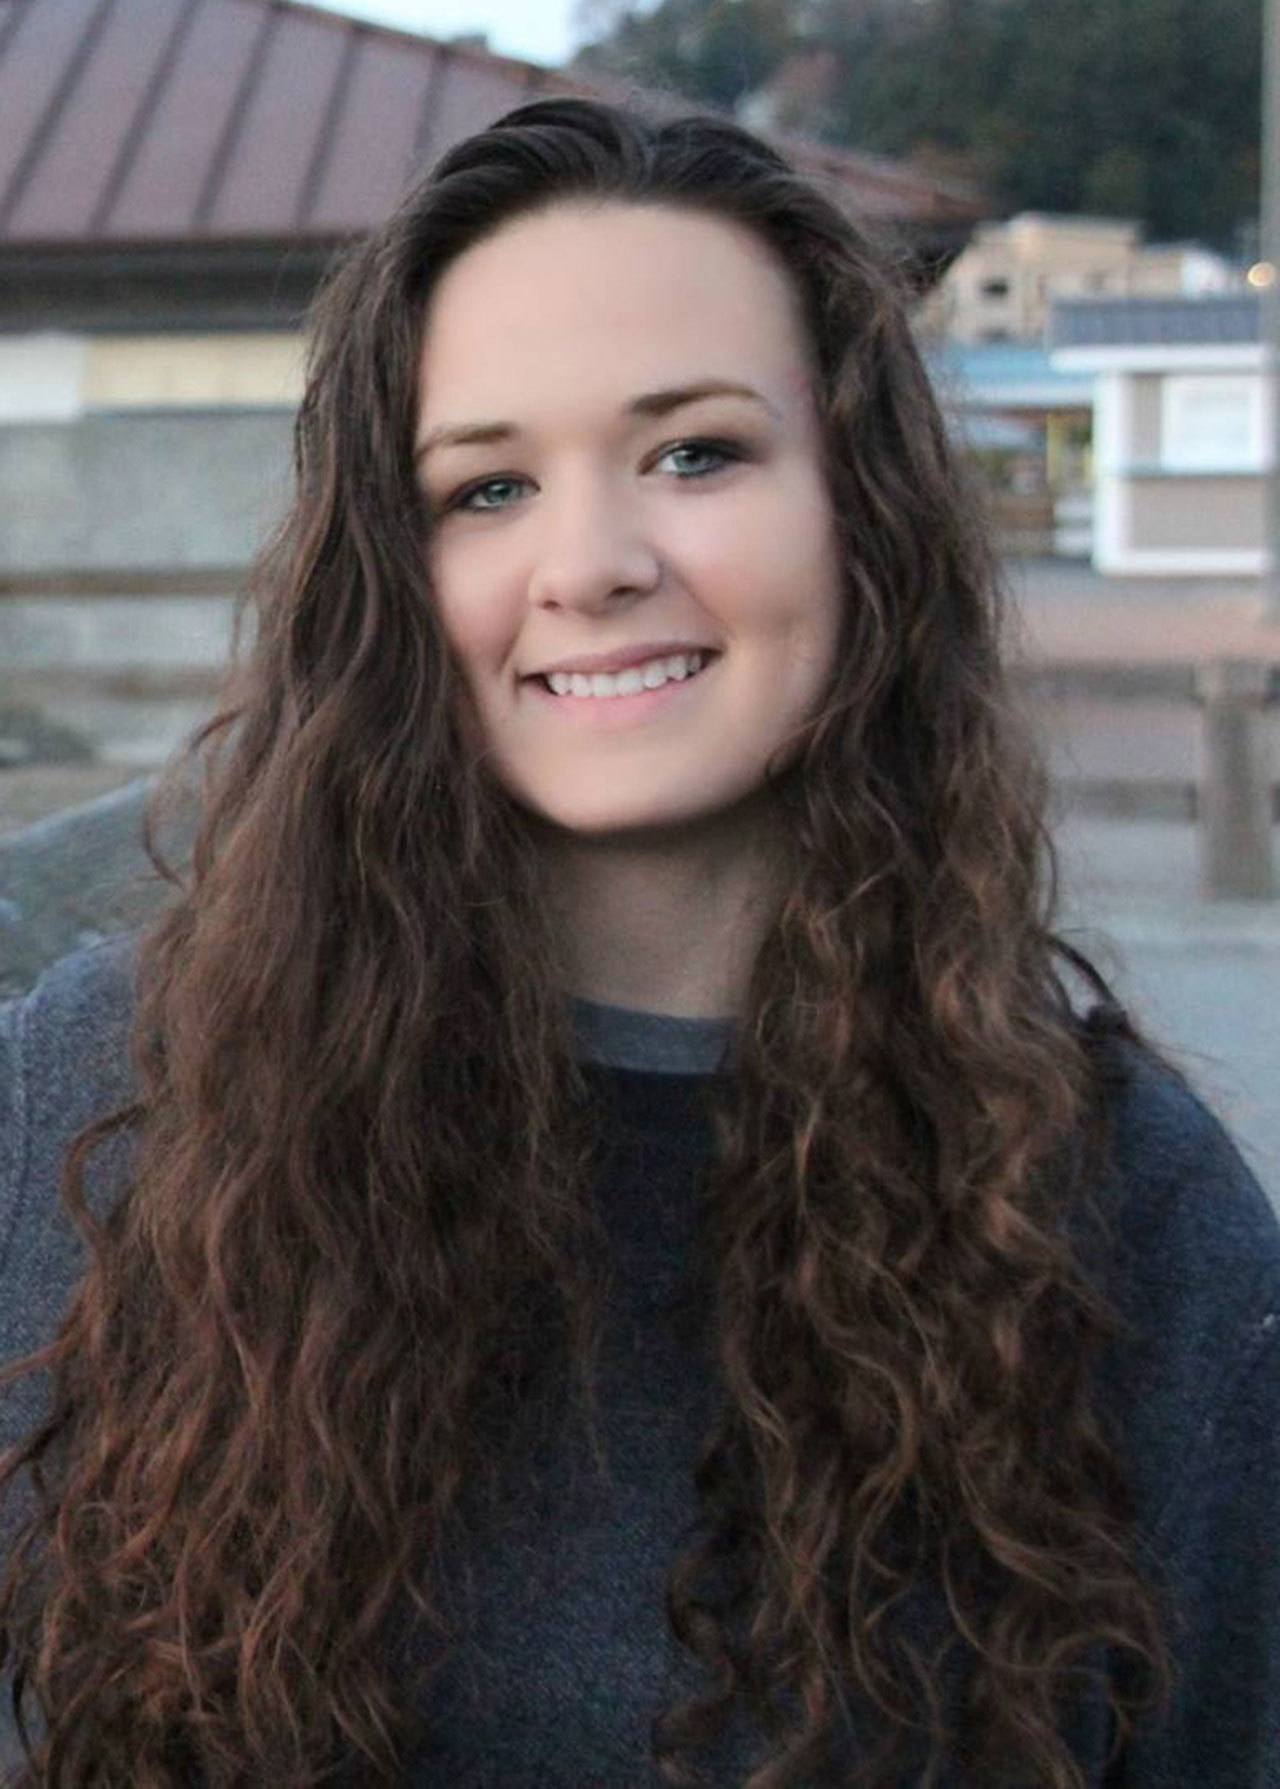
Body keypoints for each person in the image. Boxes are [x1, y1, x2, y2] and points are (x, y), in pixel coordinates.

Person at [0, 93, 1276, 1789]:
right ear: (391, 573)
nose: (589, 565)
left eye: (696, 453)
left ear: (862, 506)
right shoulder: (102, 1103)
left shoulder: (1132, 1212)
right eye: (488, 486)